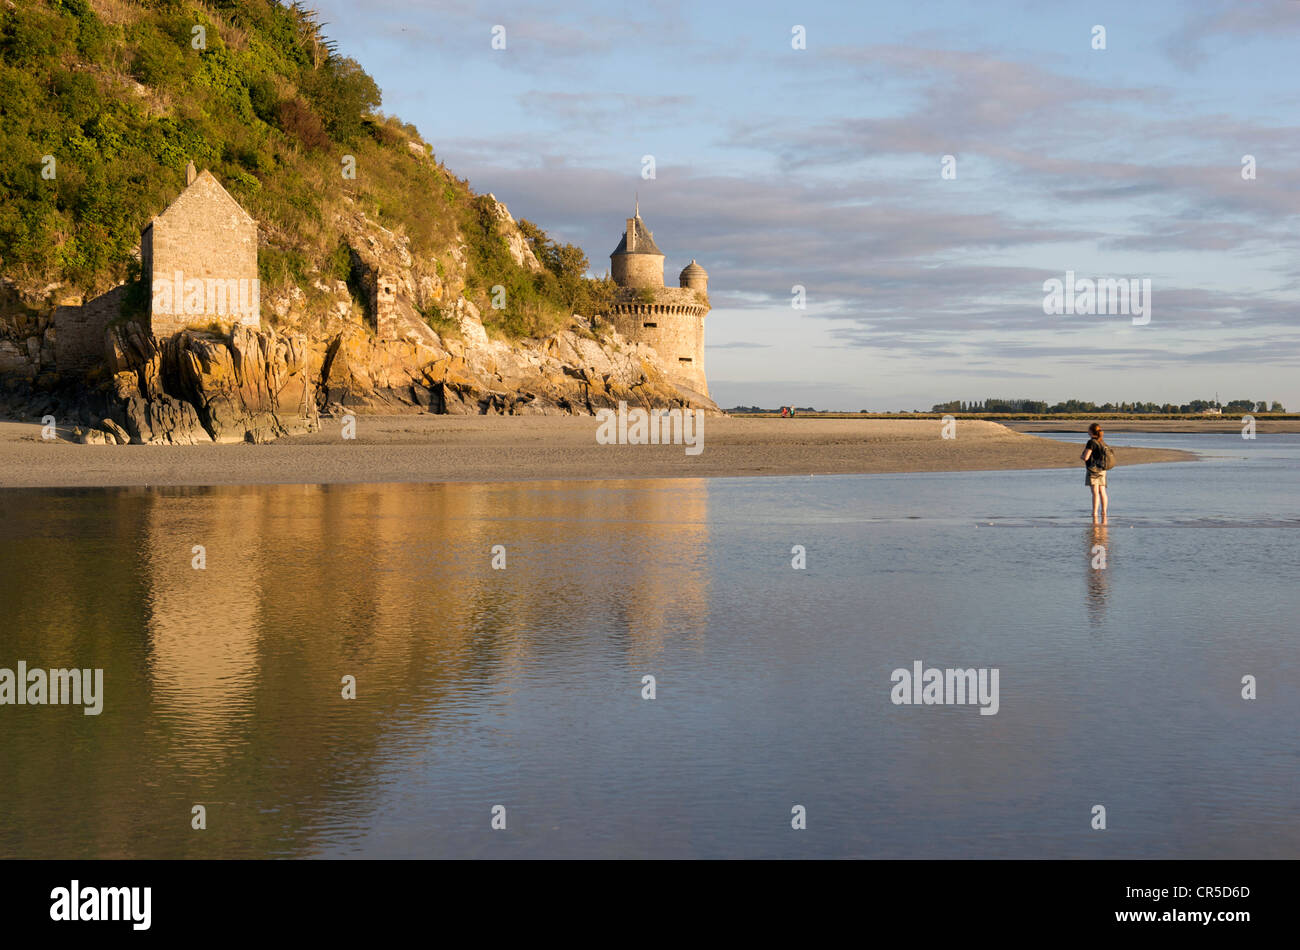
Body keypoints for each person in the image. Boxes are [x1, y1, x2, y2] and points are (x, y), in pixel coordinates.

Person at [1081, 423, 1109, 523]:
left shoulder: (1091, 442)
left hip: (1093, 470)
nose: (1087, 431)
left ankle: (1094, 513)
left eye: (1088, 430)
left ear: (1092, 431)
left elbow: (1086, 457)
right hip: (1102, 470)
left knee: (1095, 493)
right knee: (1103, 492)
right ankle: (1104, 513)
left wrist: (1082, 456)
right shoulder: (1102, 442)